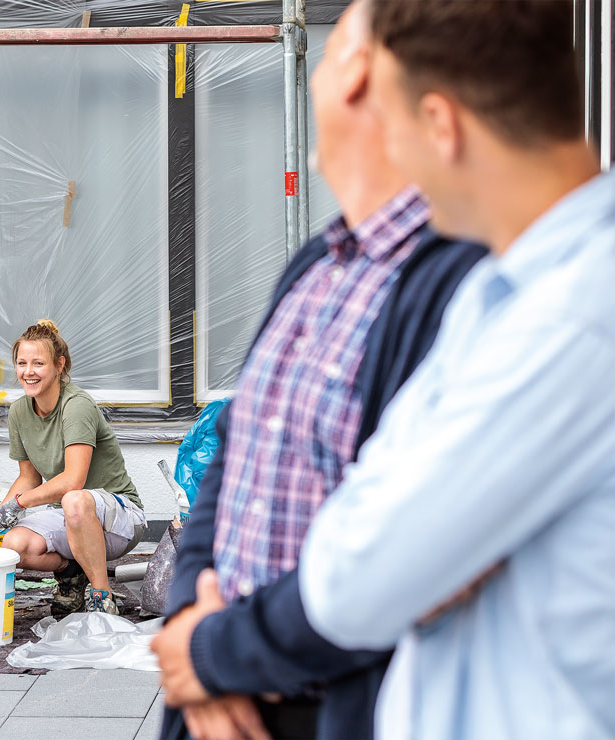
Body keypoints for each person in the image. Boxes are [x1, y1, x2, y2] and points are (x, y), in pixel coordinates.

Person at [149, 2, 486, 738]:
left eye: (329, 53)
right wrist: (190, 636)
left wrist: (217, 656)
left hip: (325, 706)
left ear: (360, 77)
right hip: (216, 694)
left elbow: (414, 557)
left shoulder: (464, 280)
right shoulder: (317, 263)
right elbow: (233, 455)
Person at [296, 1, 615, 738]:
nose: (393, 158)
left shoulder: (569, 322)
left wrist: (396, 533)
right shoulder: (500, 293)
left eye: (394, 126)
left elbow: (348, 581)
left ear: (441, 125)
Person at [0, 320, 147, 616]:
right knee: (13, 545)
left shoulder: (76, 405)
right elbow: (28, 477)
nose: (28, 372)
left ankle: (102, 597)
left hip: (121, 519)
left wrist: (18, 504)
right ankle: (72, 574)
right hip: (71, 516)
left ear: (59, 365)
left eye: (38, 363)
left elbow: (73, 481)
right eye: (22, 363)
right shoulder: (19, 412)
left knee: (73, 499)